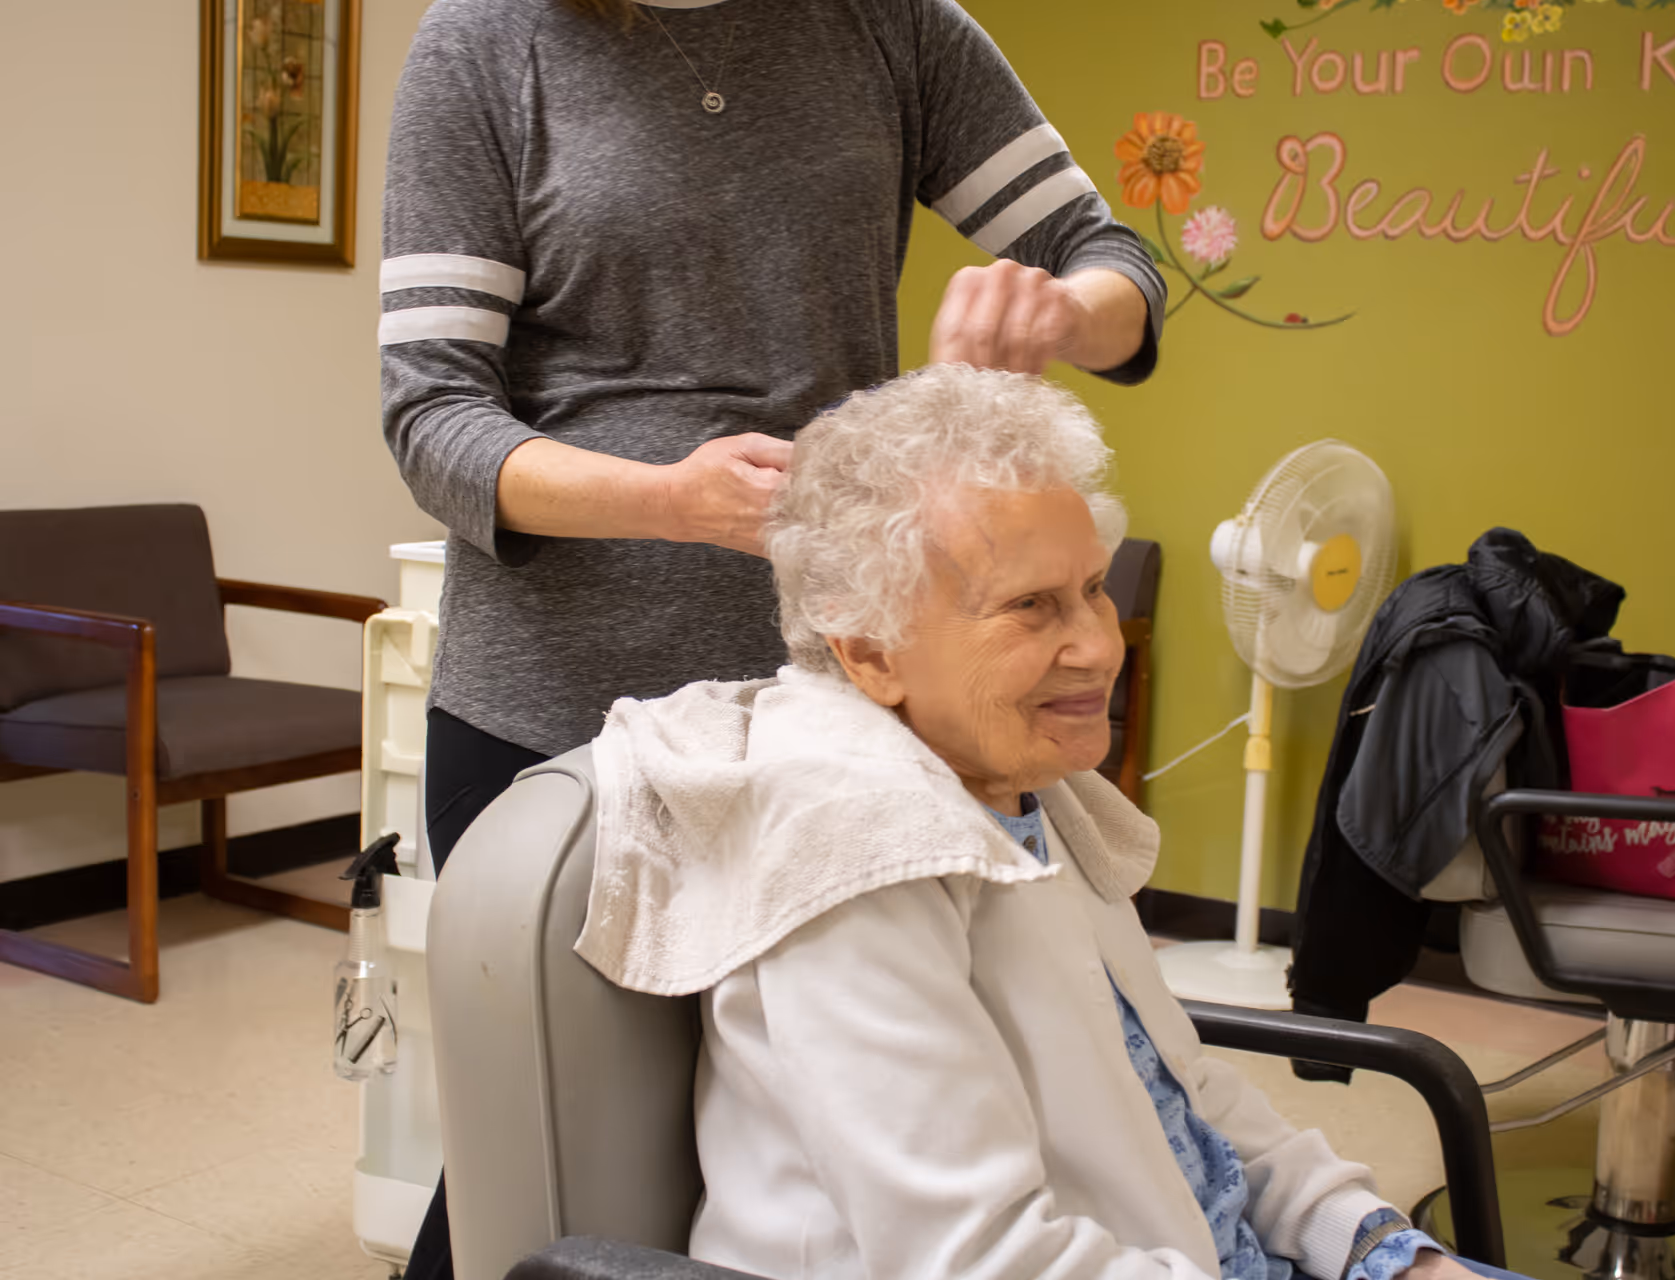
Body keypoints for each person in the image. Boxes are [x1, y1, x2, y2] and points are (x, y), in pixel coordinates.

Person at [379, 0, 1163, 1273]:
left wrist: (1064, 314)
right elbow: (430, 419)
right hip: (554, 704)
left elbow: (1113, 258)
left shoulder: (891, 27)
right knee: (561, 1150)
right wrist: (670, 501)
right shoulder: (486, 46)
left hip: (833, 702)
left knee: (791, 1138)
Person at [578, 367, 1538, 1280]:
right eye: (1032, 607)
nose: (1098, 643)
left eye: (1092, 587)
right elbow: (978, 1259)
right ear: (869, 652)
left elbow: (1187, 1099)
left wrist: (1386, 1251)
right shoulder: (855, 857)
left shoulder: (1023, 787)